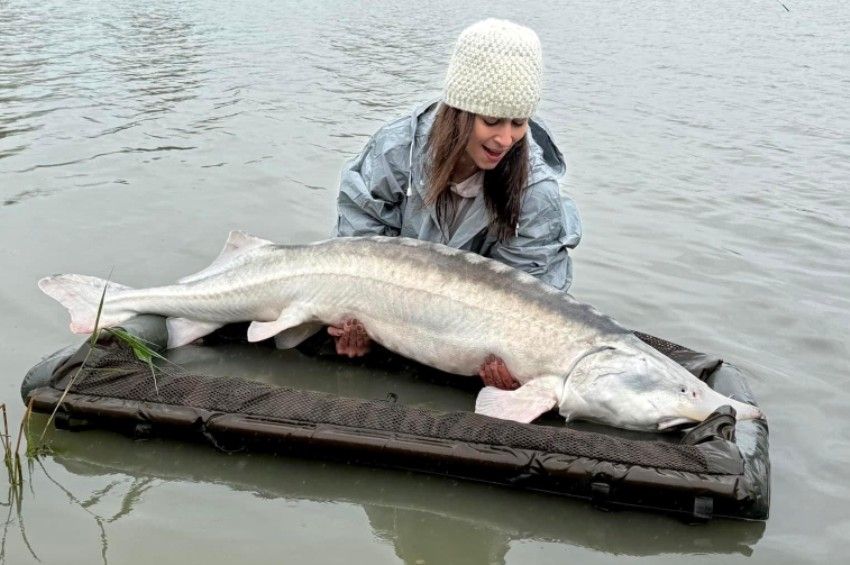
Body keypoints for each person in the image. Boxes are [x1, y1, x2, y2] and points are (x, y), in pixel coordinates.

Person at [328, 19, 581, 389]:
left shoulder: (535, 192)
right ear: (459, 113)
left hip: (465, 338)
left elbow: (531, 294)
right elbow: (355, 251)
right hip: (392, 314)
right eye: (491, 120)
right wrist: (357, 322)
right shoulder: (396, 152)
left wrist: (518, 365)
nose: (505, 138)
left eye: (519, 122)